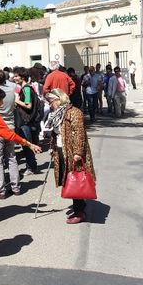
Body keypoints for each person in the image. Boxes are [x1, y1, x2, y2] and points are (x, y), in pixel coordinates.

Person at [45, 89, 96, 225]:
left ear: (58, 99)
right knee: (69, 179)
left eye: (51, 101)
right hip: (62, 150)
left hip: (73, 153)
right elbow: (55, 133)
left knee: (76, 181)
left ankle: (80, 212)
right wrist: (52, 147)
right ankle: (79, 206)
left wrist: (78, 153)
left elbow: (79, 133)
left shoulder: (74, 112)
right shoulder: (57, 113)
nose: (50, 105)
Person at [0, 69, 20, 198]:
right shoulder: (12, 91)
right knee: (12, 158)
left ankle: (0, 189)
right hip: (10, 126)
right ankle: (16, 186)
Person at [15, 68, 43, 174]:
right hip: (30, 121)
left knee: (27, 145)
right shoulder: (27, 88)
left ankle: (31, 167)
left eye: (16, 76)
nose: (14, 78)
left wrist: (17, 101)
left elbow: (28, 105)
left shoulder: (26, 89)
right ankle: (32, 166)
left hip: (27, 121)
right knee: (29, 144)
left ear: (22, 77)